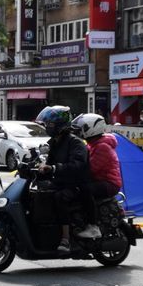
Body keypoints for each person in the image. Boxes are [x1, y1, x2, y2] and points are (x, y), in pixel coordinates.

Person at [35, 106, 89, 254]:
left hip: (76, 184)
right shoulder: (54, 142)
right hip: (60, 181)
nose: (47, 127)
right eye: (46, 124)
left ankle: (65, 239)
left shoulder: (75, 143)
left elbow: (77, 165)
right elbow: (46, 160)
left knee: (60, 197)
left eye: (50, 124)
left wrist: (53, 168)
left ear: (60, 125)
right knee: (40, 193)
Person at [72, 113, 123, 238]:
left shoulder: (102, 147)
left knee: (84, 190)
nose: (80, 131)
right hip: (100, 180)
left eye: (83, 128)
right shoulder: (93, 144)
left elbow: (91, 169)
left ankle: (93, 226)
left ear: (92, 128)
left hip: (109, 183)